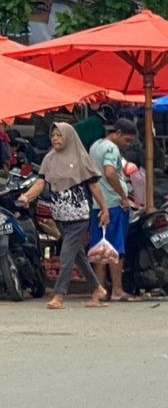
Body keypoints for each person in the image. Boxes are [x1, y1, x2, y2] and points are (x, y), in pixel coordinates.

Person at [18, 122, 109, 309]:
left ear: (68, 136)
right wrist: (27, 196)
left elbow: (94, 186)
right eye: (53, 136)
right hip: (59, 215)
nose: (55, 139)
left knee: (66, 253)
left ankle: (59, 295)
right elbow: (41, 182)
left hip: (79, 215)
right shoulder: (49, 159)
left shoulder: (82, 158)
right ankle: (97, 288)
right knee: (77, 254)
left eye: (59, 135)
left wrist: (104, 209)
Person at [89, 118, 137, 301]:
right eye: (127, 140)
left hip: (97, 204)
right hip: (114, 205)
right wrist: (123, 197)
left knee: (99, 248)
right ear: (117, 134)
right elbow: (110, 172)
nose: (128, 145)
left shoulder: (95, 146)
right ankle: (117, 290)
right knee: (116, 248)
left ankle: (100, 289)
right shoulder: (111, 148)